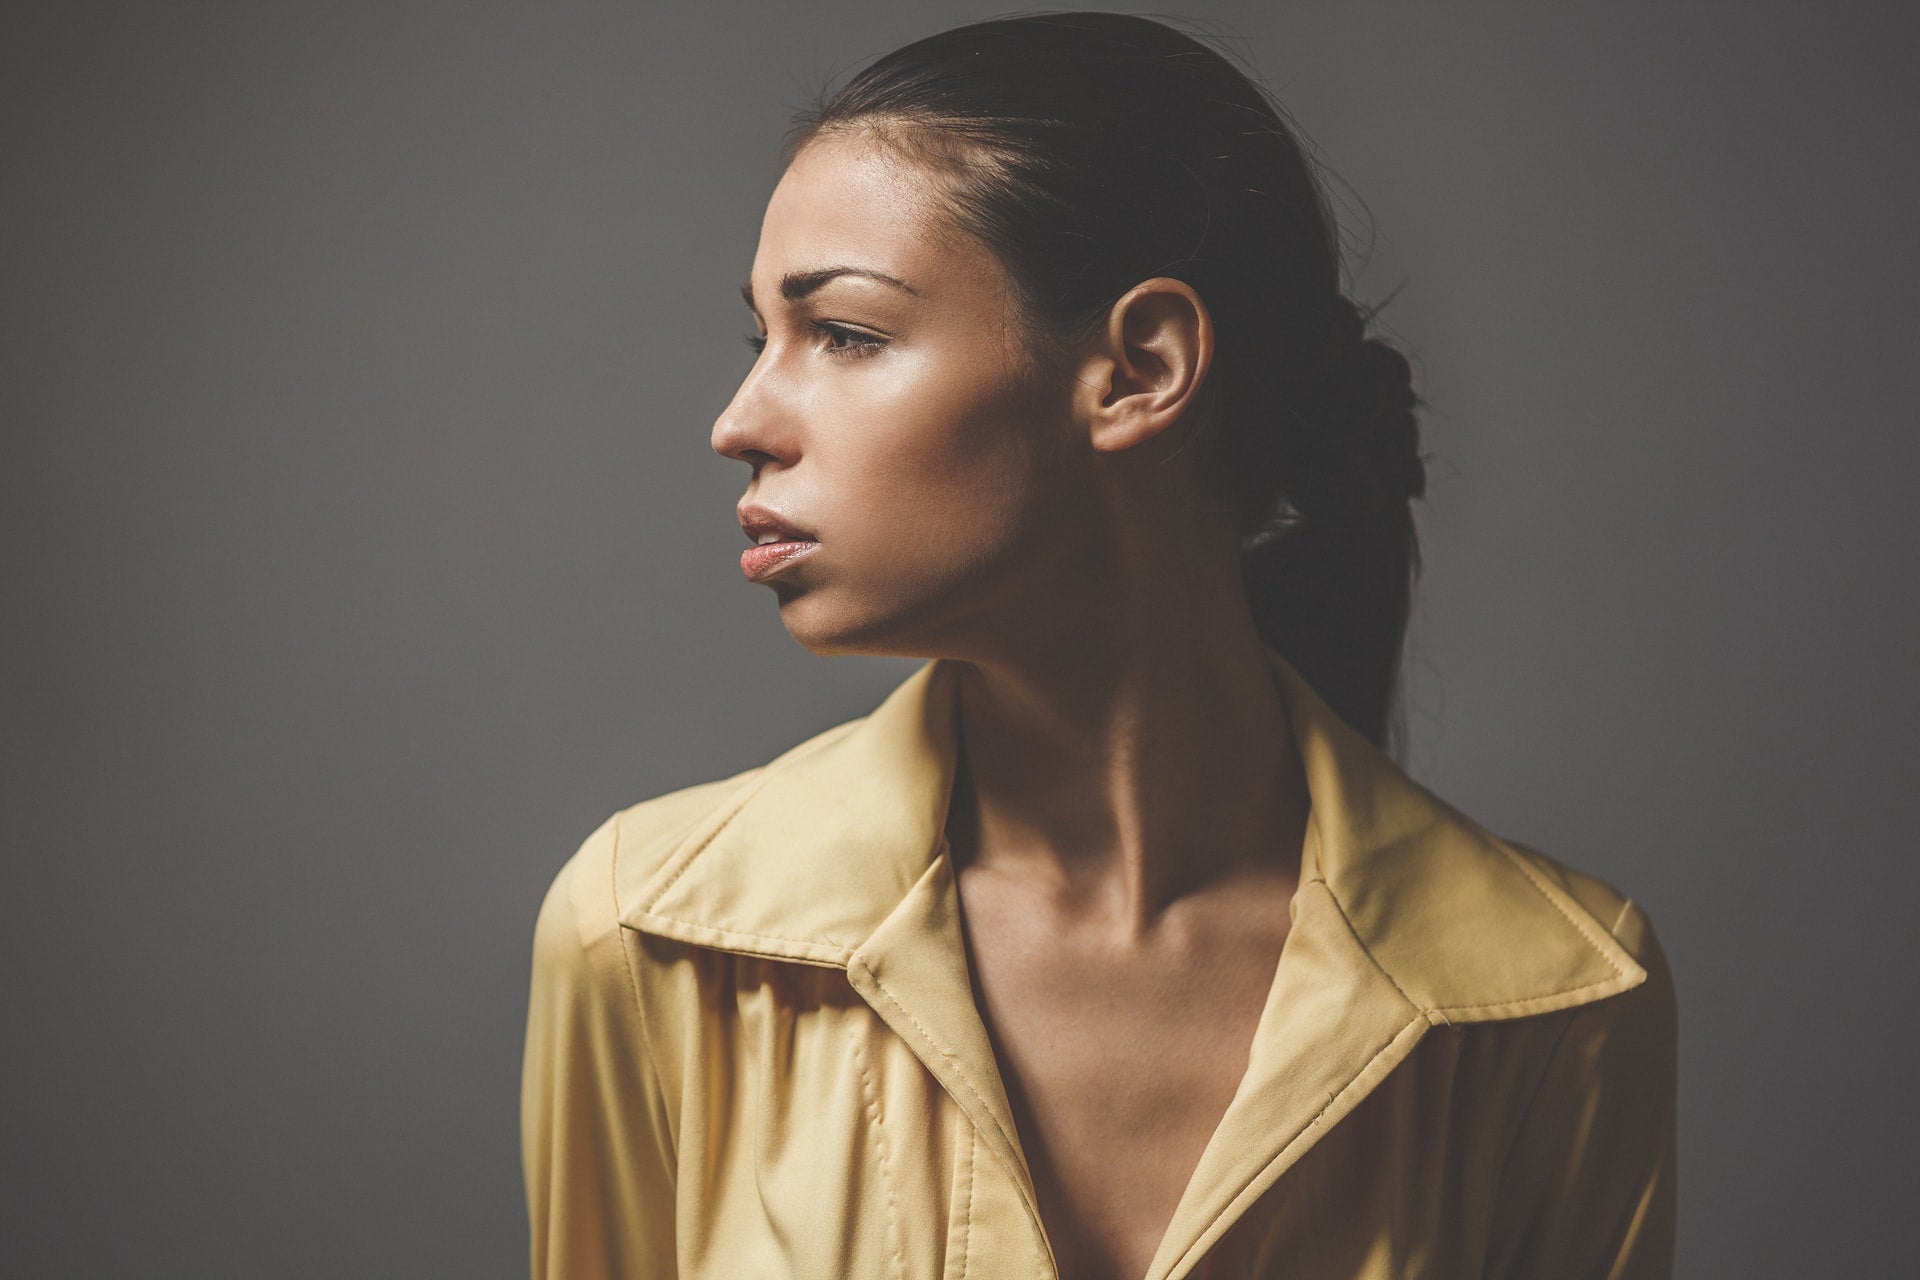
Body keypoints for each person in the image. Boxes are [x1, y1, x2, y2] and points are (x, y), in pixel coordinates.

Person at [520, 12, 1677, 1279]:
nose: (741, 422)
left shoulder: (1557, 994)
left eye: (845, 333)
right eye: (763, 339)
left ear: (1139, 369)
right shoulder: (649, 935)